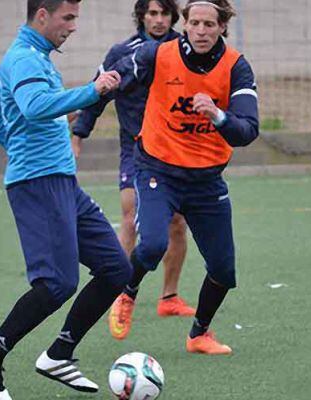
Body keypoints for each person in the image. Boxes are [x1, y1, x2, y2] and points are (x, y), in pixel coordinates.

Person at [0, 1, 132, 398]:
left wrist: (18, 142)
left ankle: (59, 355)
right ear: (42, 15)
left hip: (62, 183)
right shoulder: (23, 59)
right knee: (56, 284)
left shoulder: (31, 56)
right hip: (37, 184)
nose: (73, 27)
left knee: (116, 269)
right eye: (68, 18)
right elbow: (34, 107)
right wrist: (93, 90)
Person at [105, 0, 259, 355]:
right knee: (154, 242)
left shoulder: (237, 66)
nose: (202, 31)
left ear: (222, 27)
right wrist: (94, 97)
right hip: (158, 169)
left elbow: (247, 130)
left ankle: (199, 334)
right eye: (196, 23)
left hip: (206, 180)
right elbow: (117, 78)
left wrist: (219, 115)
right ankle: (127, 293)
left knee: (223, 269)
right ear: (185, 25)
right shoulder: (157, 54)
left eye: (210, 24)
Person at [72, 0, 196, 324]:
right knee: (130, 217)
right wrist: (78, 134)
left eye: (163, 14)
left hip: (175, 149)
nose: (157, 20)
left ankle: (169, 296)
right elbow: (98, 92)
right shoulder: (122, 53)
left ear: (172, 17)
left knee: (177, 223)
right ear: (141, 16)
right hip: (136, 147)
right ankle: (116, 292)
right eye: (151, 13)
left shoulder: (183, 51)